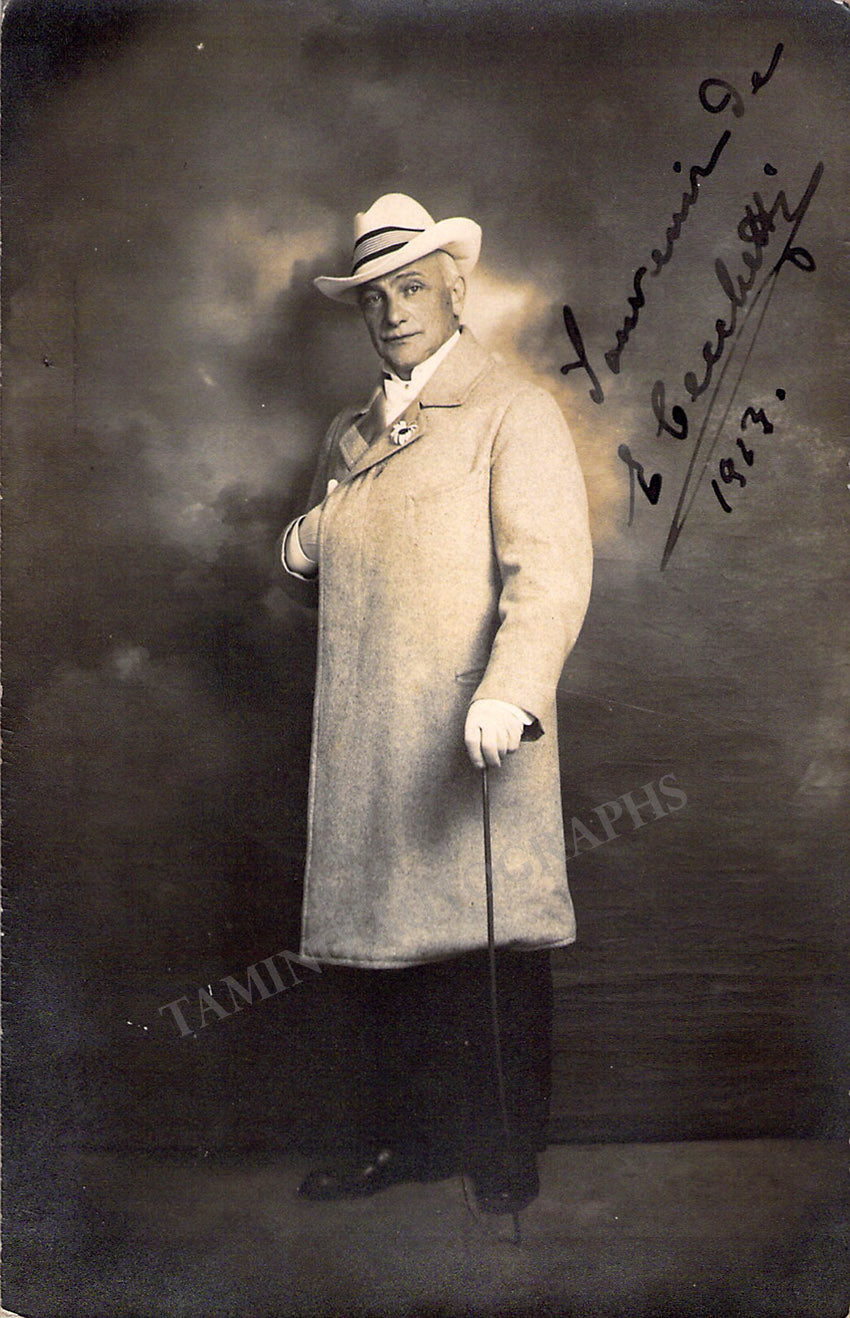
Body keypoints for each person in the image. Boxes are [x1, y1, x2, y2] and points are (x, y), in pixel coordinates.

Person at [277, 192, 593, 1214]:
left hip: (470, 728)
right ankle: (396, 1146)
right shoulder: (348, 432)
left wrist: (511, 693)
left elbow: (549, 577)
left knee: (487, 951)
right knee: (381, 953)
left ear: (455, 291)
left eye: (411, 287)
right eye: (373, 297)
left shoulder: (512, 410)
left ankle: (503, 1154)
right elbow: (338, 571)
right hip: (367, 730)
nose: (392, 311)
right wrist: (301, 545)